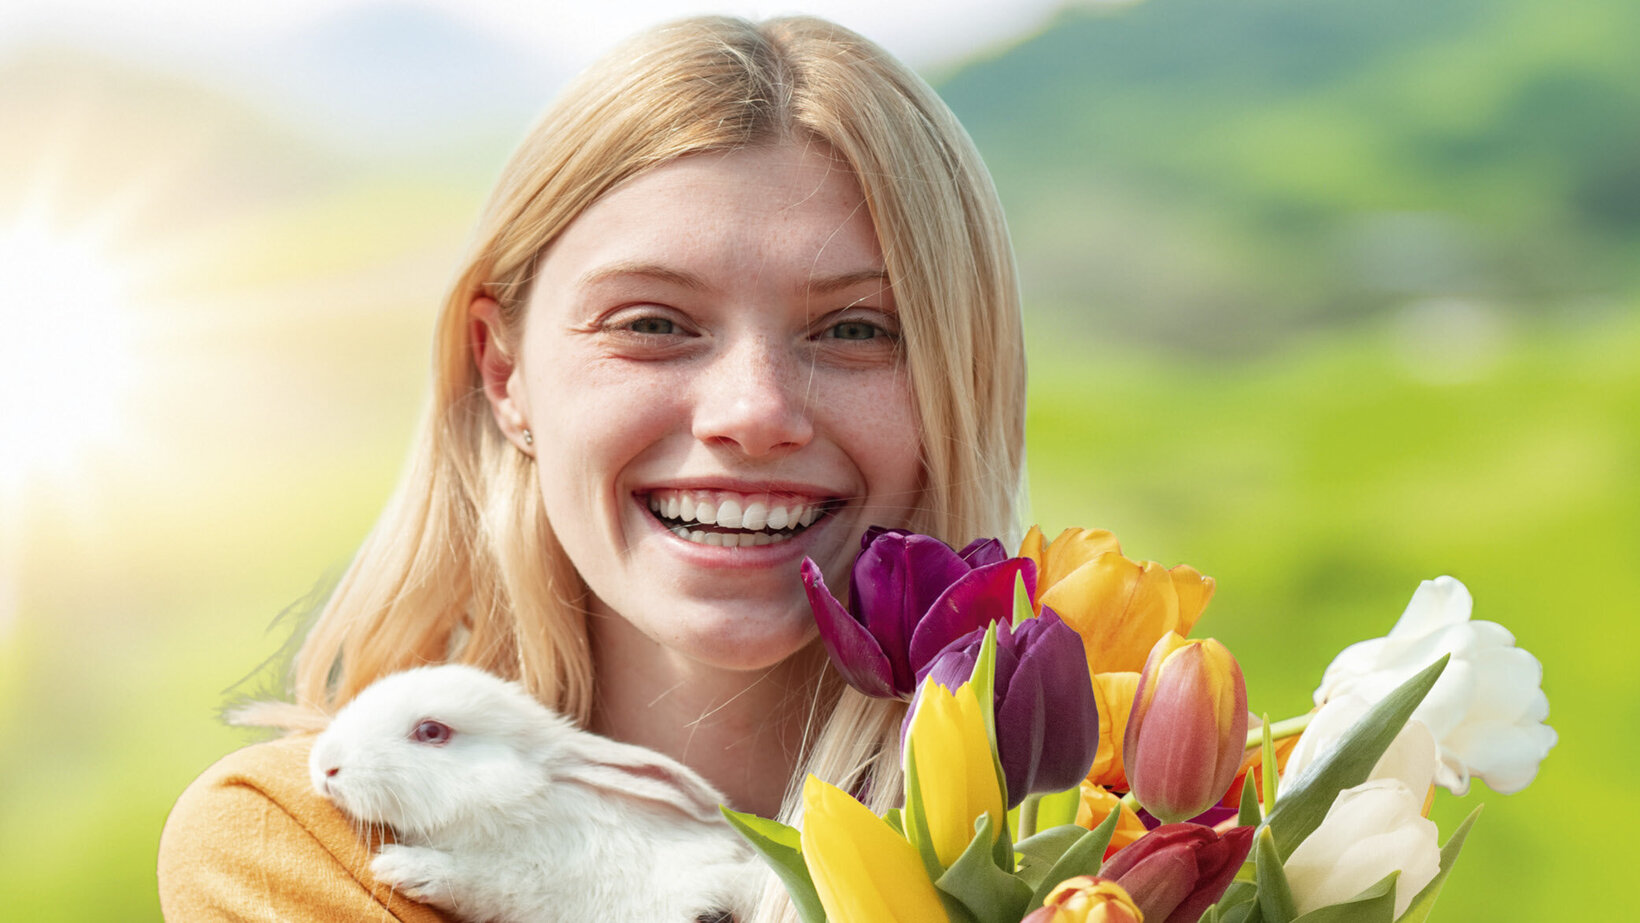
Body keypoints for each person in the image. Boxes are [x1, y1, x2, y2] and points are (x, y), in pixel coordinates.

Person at [158, 14, 1026, 922]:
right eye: (652, 323)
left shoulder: (1119, 853)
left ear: (961, 385)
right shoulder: (308, 845)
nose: (753, 412)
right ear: (504, 372)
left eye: (856, 329)